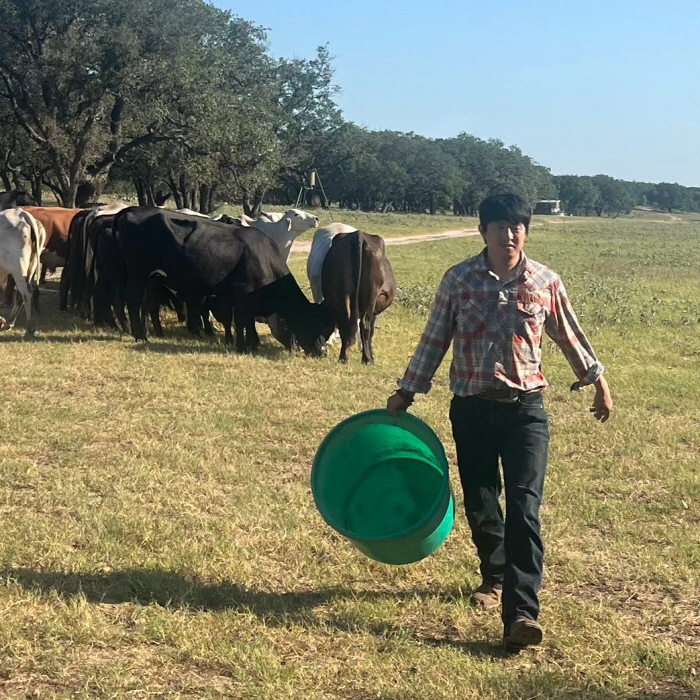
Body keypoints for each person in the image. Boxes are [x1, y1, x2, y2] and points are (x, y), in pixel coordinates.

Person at [387, 193, 612, 651]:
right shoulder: (460, 280)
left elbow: (568, 334)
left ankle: (522, 614)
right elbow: (434, 340)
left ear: (525, 232)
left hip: (526, 410)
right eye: (500, 226)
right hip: (471, 409)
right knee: (482, 502)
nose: (509, 234)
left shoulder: (544, 280)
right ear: (482, 231)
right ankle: (493, 576)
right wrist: (407, 392)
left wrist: (597, 381)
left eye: (517, 227)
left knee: (525, 507)